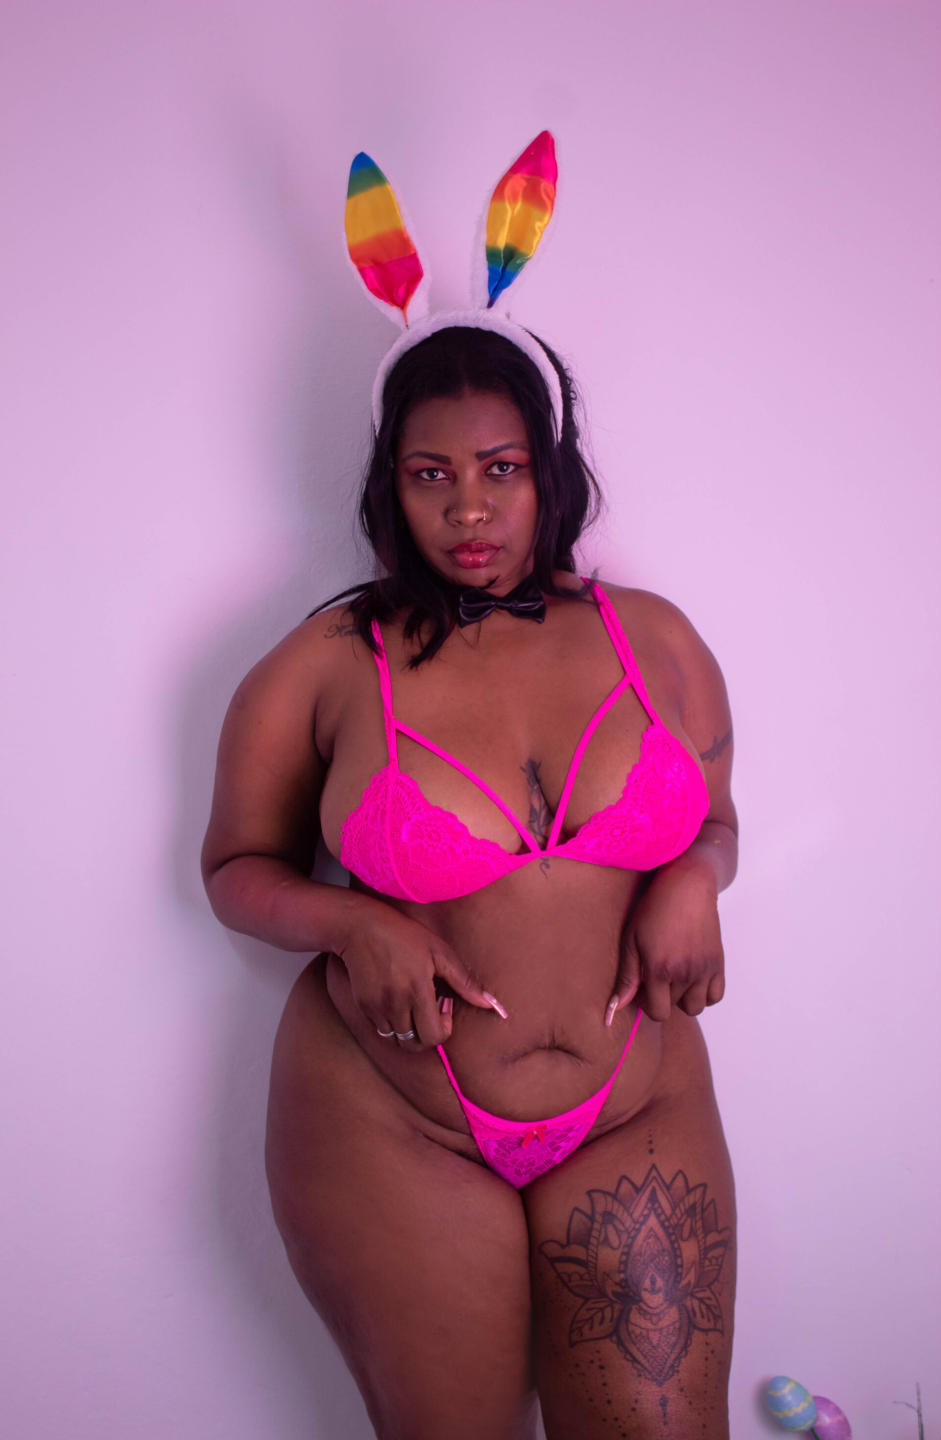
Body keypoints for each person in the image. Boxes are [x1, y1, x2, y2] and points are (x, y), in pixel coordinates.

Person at [202, 318, 738, 1439]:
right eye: (430, 475)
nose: (469, 510)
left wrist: (693, 876)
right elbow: (234, 868)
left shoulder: (654, 639)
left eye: (500, 470)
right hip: (391, 1118)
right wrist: (354, 924)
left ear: (549, 471)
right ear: (388, 486)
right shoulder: (321, 664)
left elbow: (715, 820)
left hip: (632, 1103)